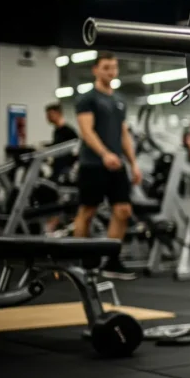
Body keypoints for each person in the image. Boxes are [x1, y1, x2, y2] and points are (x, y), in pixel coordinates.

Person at [73, 52, 140, 280]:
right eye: (106, 68)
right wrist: (104, 154)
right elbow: (86, 131)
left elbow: (123, 134)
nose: (111, 72)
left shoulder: (118, 100)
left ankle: (111, 261)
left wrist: (133, 163)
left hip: (116, 164)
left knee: (123, 211)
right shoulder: (88, 98)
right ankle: (81, 261)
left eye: (114, 67)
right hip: (93, 164)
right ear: (96, 70)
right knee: (87, 212)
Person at [44, 102, 79, 233]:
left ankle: (57, 224)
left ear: (58, 113)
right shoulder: (57, 131)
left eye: (49, 115)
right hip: (56, 171)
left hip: (64, 174)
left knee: (59, 201)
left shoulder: (69, 131)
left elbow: (76, 152)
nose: (47, 118)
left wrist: (69, 170)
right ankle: (53, 225)